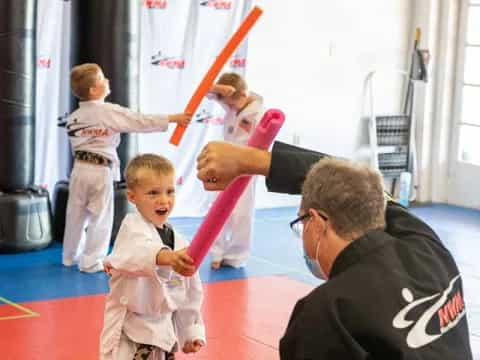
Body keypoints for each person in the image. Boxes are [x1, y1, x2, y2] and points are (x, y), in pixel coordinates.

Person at [196, 141, 473, 359]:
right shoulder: (424, 244)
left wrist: (249, 160)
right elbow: (356, 183)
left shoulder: (329, 312)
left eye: (301, 223)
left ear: (315, 222)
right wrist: (251, 160)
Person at [62, 63, 192, 273]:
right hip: (99, 170)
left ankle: (69, 256)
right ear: (94, 90)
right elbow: (138, 121)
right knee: (100, 216)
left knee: (75, 213)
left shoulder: (74, 116)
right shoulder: (105, 111)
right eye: (102, 79)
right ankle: (92, 261)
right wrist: (171, 118)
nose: (107, 81)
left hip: (79, 169)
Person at [100, 154, 205, 360]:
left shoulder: (180, 242)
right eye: (153, 193)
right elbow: (135, 253)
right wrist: (166, 257)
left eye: (169, 191)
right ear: (132, 197)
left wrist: (190, 332)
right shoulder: (131, 227)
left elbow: (190, 293)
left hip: (164, 334)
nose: (163, 200)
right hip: (130, 333)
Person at [206, 72, 264, 269]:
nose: (228, 107)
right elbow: (207, 92)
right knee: (217, 208)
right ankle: (216, 252)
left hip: (247, 166)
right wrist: (221, 89)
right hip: (224, 163)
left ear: (242, 95)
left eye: (231, 102)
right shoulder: (232, 104)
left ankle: (237, 255)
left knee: (242, 213)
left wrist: (234, 92)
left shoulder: (259, 112)